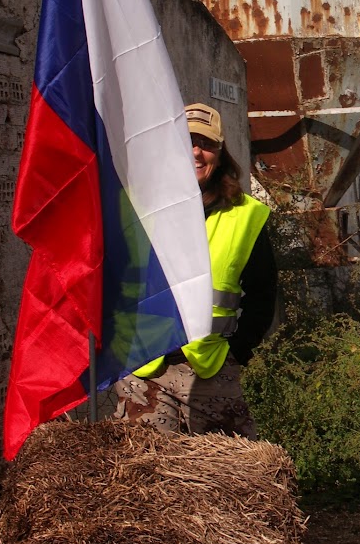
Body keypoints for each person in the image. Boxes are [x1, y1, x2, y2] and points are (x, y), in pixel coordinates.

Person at [114, 103, 278, 439]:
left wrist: (239, 351)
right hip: (142, 366)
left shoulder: (245, 215)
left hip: (211, 366)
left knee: (229, 474)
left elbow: (263, 293)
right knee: (146, 475)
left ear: (220, 152)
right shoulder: (131, 205)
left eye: (206, 143)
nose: (196, 152)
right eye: (186, 141)